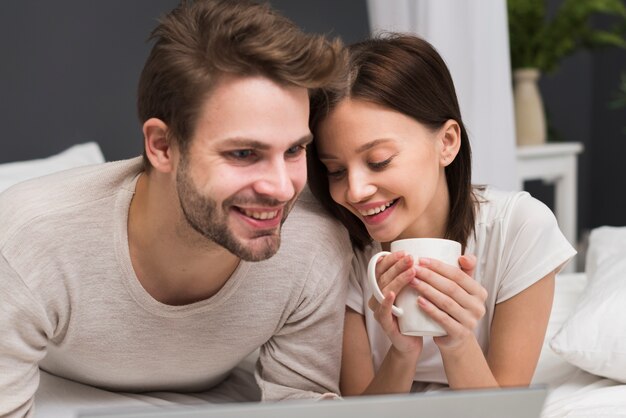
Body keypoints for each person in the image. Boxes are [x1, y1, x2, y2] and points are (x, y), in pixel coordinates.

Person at [0, 1, 353, 416]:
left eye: (294, 149)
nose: (281, 188)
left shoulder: (314, 246)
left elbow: (303, 404)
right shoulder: (31, 240)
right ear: (162, 146)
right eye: (243, 153)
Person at [307, 34, 576, 395]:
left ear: (447, 142)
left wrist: (458, 341)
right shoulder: (337, 244)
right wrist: (401, 353)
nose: (354, 191)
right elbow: (361, 410)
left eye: (378, 161)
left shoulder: (520, 228)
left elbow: (501, 412)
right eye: (336, 171)